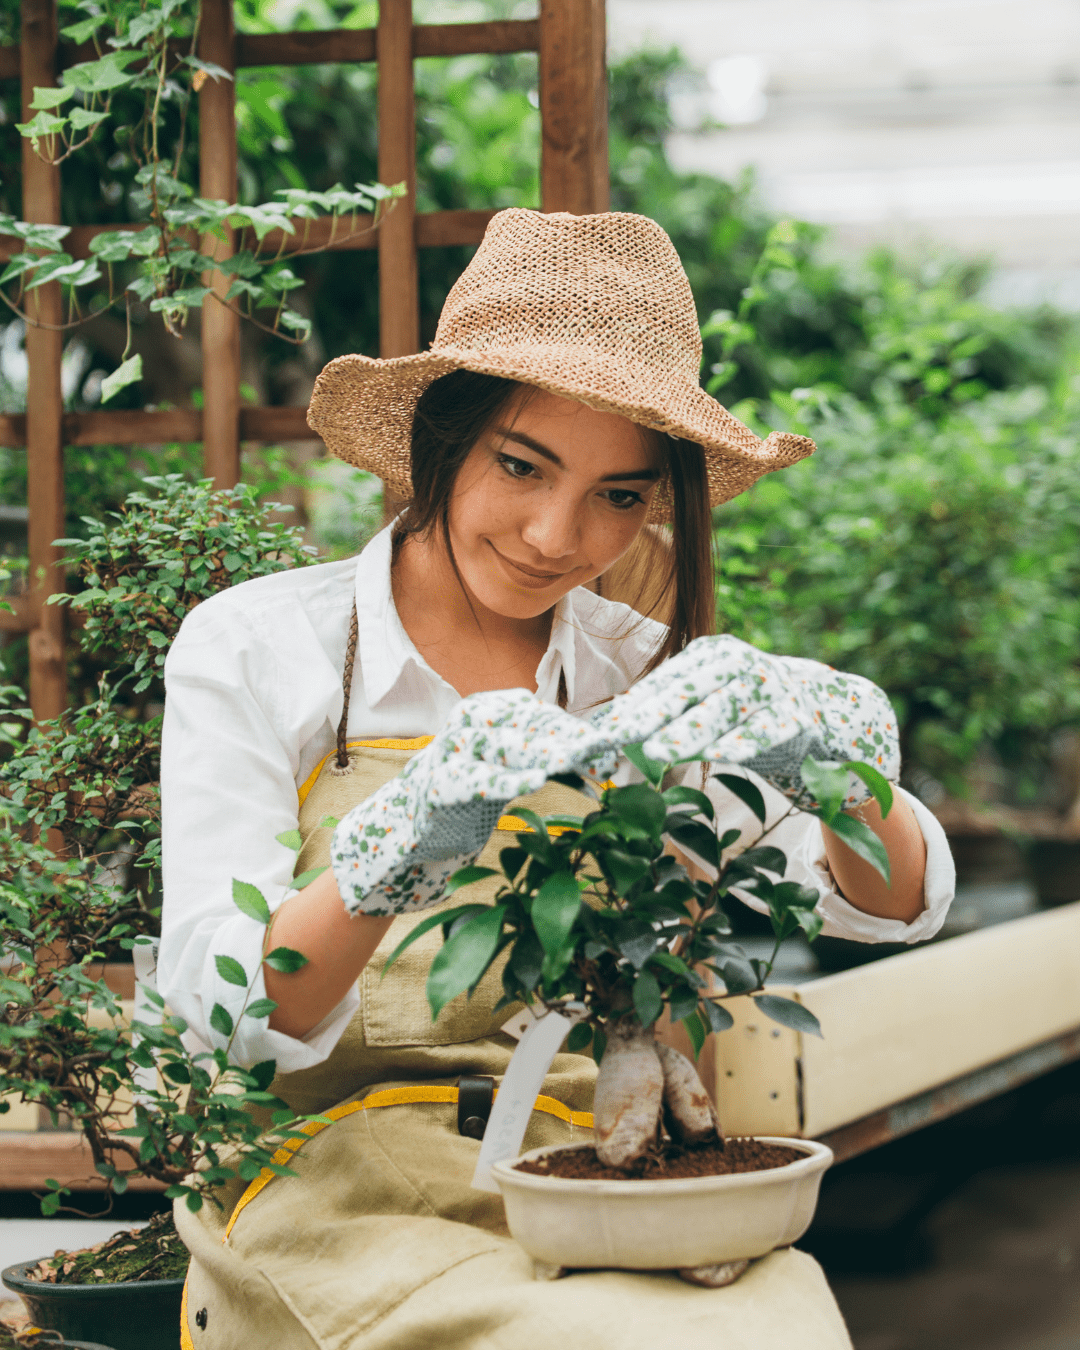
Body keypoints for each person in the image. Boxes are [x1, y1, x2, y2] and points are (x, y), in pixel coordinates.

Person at [161, 209, 955, 1350]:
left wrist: (841, 777)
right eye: (520, 466)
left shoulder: (643, 671)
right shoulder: (263, 648)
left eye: (620, 497)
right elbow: (226, 1015)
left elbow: (889, 904)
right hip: (335, 1190)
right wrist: (400, 848)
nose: (554, 535)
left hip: (599, 1166)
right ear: (444, 437)